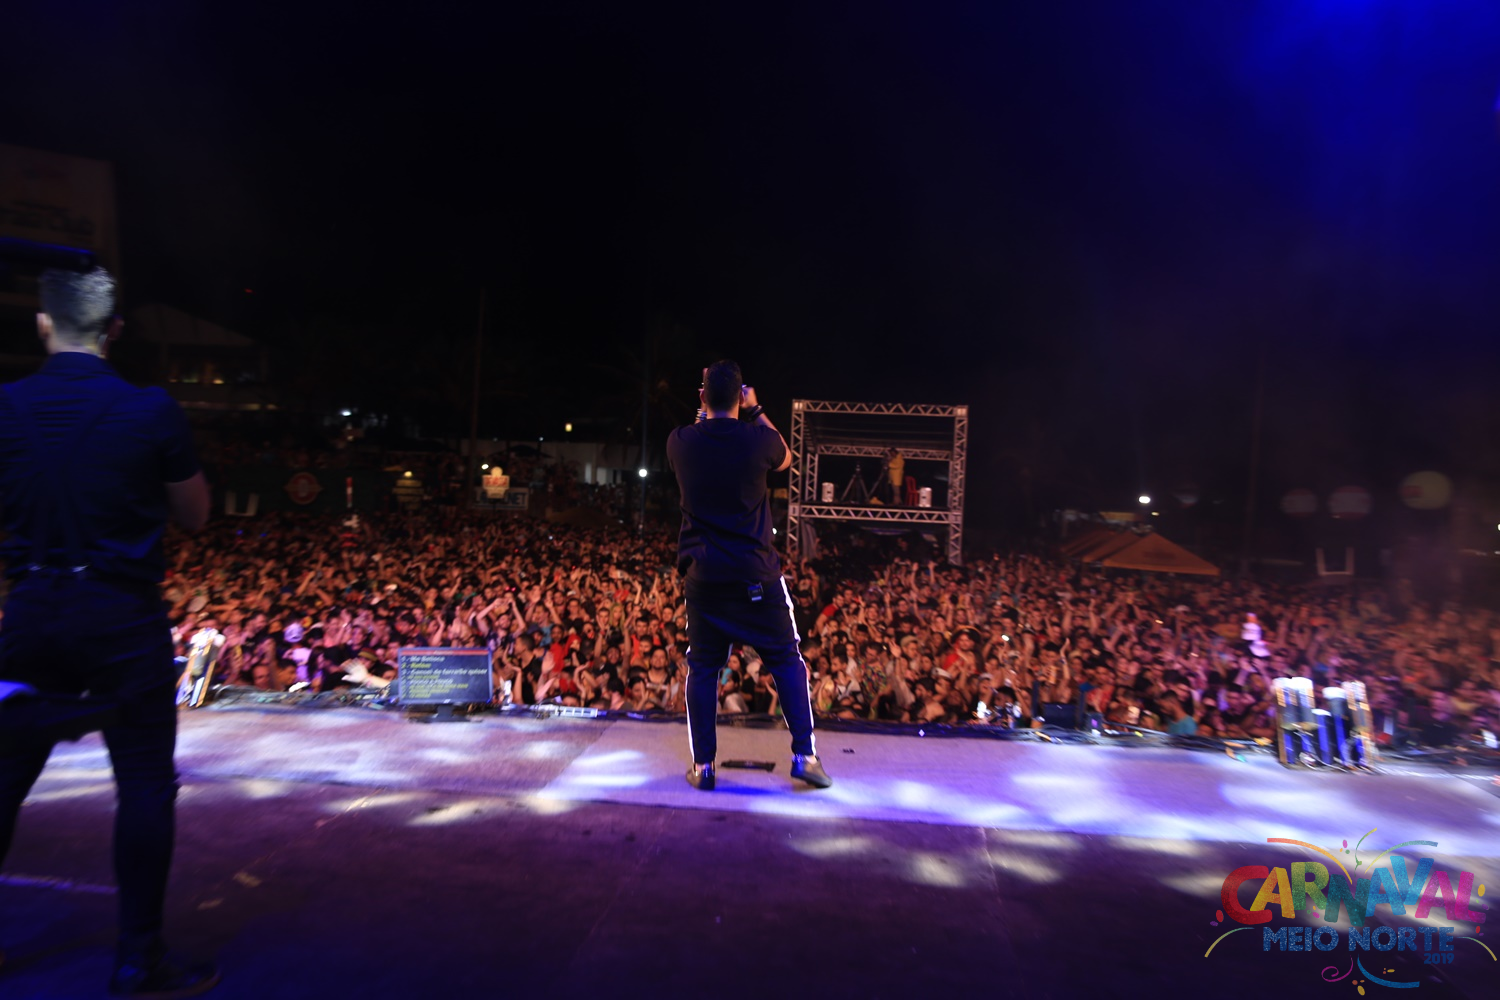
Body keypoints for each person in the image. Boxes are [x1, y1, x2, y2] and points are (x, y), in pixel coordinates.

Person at [0, 268, 217, 996]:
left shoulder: (5, 407)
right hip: (121, 615)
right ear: (114, 328)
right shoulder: (150, 409)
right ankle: (137, 959)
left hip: (31, 610)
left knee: (4, 776)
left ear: (42, 323)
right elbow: (195, 514)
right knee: (146, 784)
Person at [666, 360, 829, 790]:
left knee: (703, 668)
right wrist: (754, 410)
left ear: (702, 397)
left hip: (704, 576)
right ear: (742, 396)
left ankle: (704, 767)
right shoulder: (759, 440)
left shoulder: (680, 441)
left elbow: (698, 431)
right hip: (755, 575)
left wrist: (707, 406)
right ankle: (805, 757)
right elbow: (786, 457)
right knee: (786, 661)